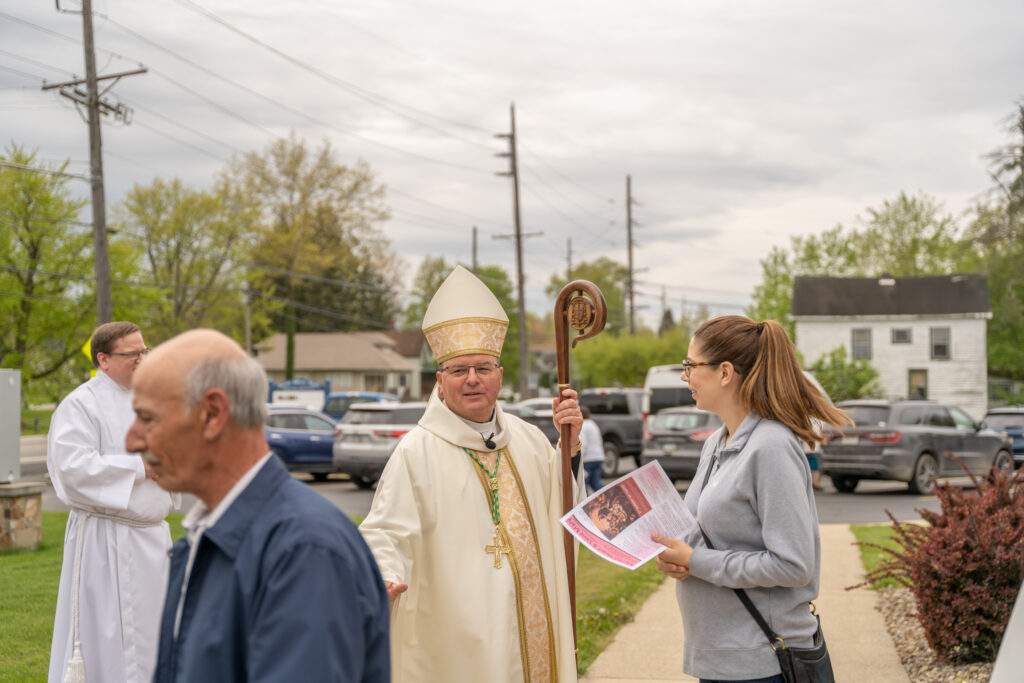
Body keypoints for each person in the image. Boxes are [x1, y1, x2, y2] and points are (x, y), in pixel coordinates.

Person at [359, 265, 584, 683]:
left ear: (499, 375)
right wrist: (383, 572)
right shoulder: (416, 452)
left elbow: (563, 510)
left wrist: (568, 450)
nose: (472, 380)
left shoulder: (530, 438)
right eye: (459, 370)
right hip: (457, 633)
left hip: (535, 624)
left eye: (483, 368)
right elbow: (386, 530)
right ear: (440, 381)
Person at [126, 329, 389, 682]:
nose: (131, 441)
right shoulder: (206, 537)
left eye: (147, 419)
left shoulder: (304, 553)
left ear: (212, 414)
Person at [651, 315, 849, 683]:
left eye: (690, 366)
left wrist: (698, 561)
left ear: (725, 372)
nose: (684, 376)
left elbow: (793, 565)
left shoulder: (771, 447)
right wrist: (678, 560)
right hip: (719, 658)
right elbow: (709, 537)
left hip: (762, 663)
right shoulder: (716, 442)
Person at [47, 321, 177, 683]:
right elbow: (71, 469)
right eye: (131, 353)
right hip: (107, 542)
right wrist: (138, 466)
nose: (142, 359)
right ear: (103, 359)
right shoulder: (80, 406)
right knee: (107, 639)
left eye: (144, 350)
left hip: (153, 541)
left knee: (156, 636)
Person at [580, 405, 605, 492]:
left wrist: (579, 458)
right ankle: (606, 497)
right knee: (596, 482)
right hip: (598, 457)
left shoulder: (582, 426)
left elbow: (583, 444)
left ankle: (583, 503)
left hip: (588, 459)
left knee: (582, 484)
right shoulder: (593, 424)